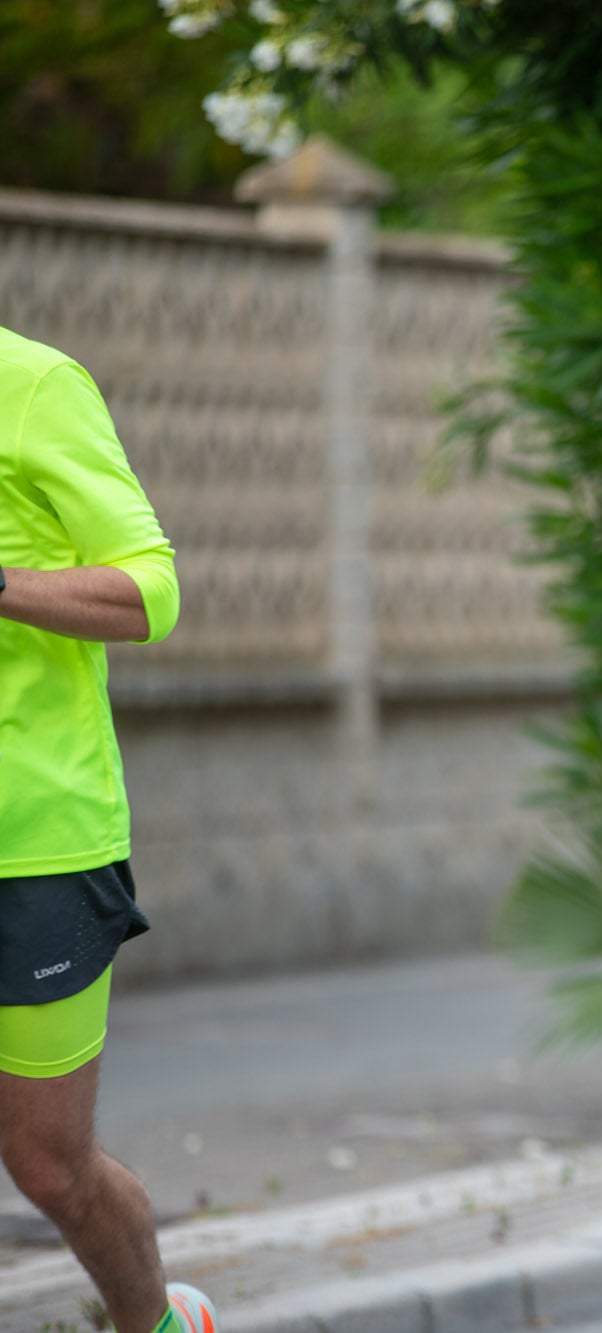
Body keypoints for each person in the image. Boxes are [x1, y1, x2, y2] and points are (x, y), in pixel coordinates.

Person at [0, 327, 216, 1333]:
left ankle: (156, 1325)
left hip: (38, 838)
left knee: (47, 1161)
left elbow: (151, 590)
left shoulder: (35, 385)